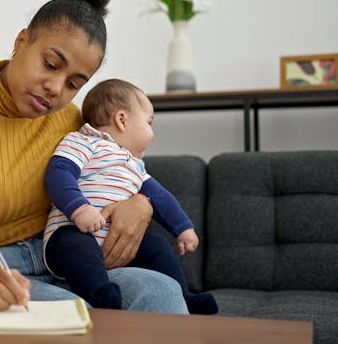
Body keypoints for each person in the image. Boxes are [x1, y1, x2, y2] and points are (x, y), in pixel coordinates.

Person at [0, 0, 188, 314]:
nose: (55, 88)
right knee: (72, 311)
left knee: (161, 290)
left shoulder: (71, 120)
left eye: (74, 83)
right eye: (50, 64)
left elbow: (120, 172)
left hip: (64, 258)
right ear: (21, 42)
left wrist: (142, 203)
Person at [43, 79, 218, 314]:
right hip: (70, 233)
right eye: (149, 122)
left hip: (115, 243)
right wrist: (79, 209)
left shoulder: (136, 165)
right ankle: (99, 293)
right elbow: (59, 173)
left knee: (156, 245)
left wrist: (183, 228)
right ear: (122, 120)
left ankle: (184, 296)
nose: (152, 132)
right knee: (76, 243)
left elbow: (159, 196)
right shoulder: (82, 142)